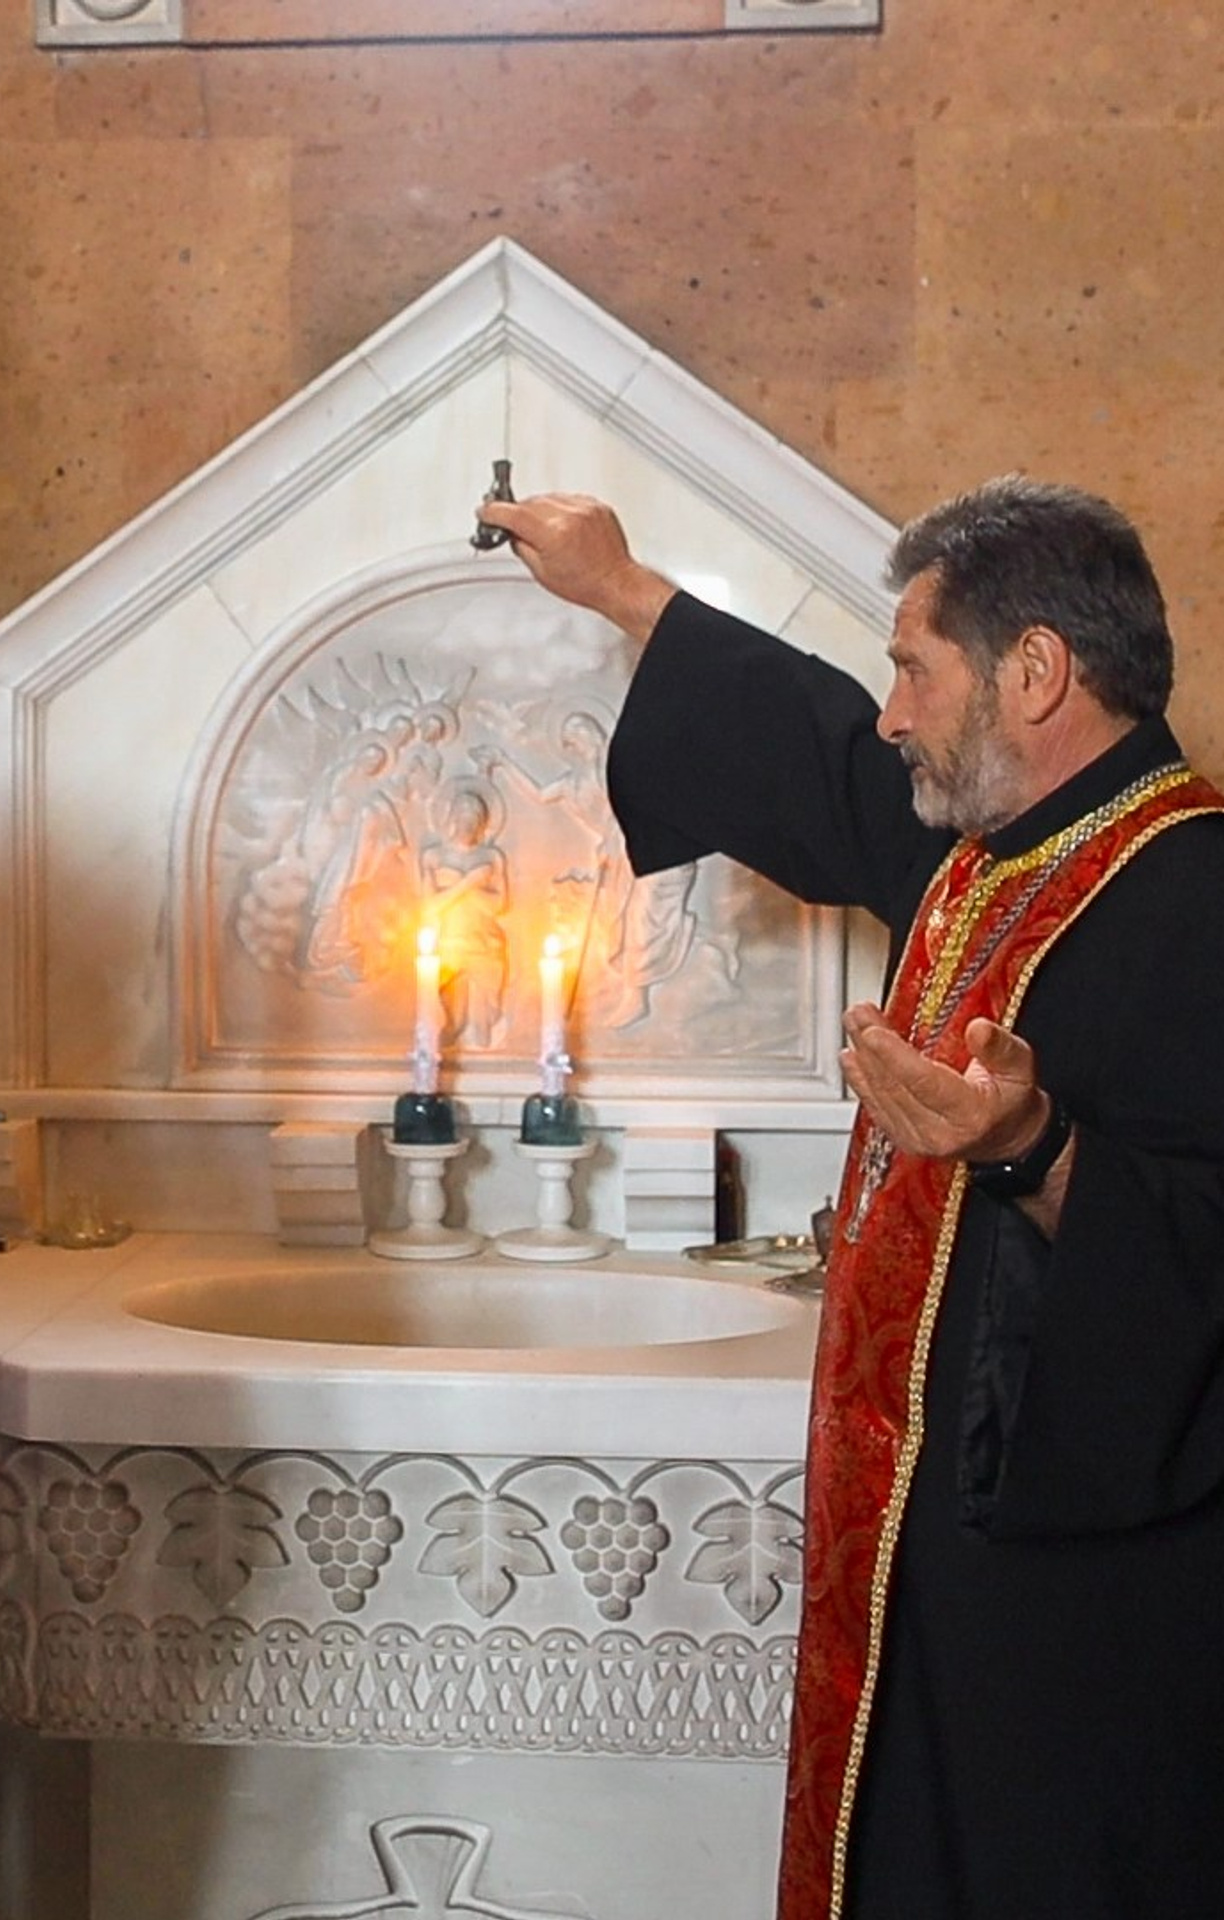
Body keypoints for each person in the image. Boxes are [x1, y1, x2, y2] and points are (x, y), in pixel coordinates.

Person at [479, 477, 1224, 1920]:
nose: (890, 711)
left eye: (914, 668)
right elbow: (818, 748)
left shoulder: (1193, 895)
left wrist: (1029, 1152)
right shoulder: (988, 858)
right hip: (932, 1574)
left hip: (1089, 1622)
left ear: (1035, 672)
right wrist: (624, 591)